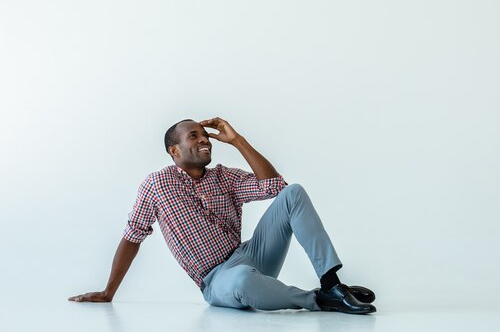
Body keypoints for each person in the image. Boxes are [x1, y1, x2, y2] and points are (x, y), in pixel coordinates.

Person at [68, 117, 376, 314]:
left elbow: (274, 187)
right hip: (217, 280)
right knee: (242, 280)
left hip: (251, 255)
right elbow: (133, 236)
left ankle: (332, 283)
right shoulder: (156, 185)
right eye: (193, 136)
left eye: (206, 135)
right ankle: (318, 299)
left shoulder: (224, 176)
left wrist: (237, 140)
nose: (204, 139)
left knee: (292, 193)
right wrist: (109, 291)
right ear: (174, 151)